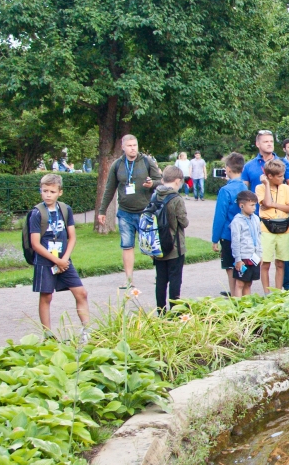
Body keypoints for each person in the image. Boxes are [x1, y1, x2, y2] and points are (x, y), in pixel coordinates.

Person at [28, 172, 90, 335]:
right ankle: (48, 335)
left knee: (81, 293)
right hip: (45, 260)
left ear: (60, 192)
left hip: (64, 260)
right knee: (46, 296)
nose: (48, 195)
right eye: (45, 191)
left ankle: (87, 332)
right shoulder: (36, 213)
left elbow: (72, 237)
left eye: (52, 191)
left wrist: (63, 259)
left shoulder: (65, 209)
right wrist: (56, 260)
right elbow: (35, 243)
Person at [97, 134, 161, 286]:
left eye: (135, 145)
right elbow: (109, 189)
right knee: (127, 245)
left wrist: (151, 184)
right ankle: (129, 279)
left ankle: (160, 274)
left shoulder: (147, 161)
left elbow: (161, 181)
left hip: (145, 211)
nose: (133, 148)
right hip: (125, 212)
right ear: (123, 147)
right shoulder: (117, 165)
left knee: (150, 246)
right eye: (130, 146)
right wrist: (102, 210)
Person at [149, 165, 190, 311]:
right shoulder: (177, 199)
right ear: (178, 181)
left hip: (158, 245)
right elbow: (183, 222)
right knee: (175, 280)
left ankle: (160, 310)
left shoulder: (154, 195)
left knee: (160, 280)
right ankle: (175, 311)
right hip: (175, 246)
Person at [255, 160, 289, 293]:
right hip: (267, 228)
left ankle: (278, 292)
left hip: (284, 228)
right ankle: (267, 293)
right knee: (265, 262)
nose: (282, 179)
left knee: (281, 262)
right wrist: (266, 185)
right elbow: (266, 202)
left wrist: (273, 204)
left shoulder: (285, 188)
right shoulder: (260, 187)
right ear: (270, 176)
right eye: (279, 176)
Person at [211, 152, 247, 295]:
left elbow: (220, 216)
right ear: (242, 169)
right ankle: (243, 293)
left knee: (230, 266)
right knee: (242, 265)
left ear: (227, 169)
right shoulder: (245, 188)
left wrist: (215, 238)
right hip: (244, 234)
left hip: (228, 234)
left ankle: (233, 294)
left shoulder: (225, 190)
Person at [229, 190, 263, 297]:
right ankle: (239, 306)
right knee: (240, 283)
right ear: (241, 205)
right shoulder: (237, 221)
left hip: (254, 256)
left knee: (249, 283)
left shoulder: (256, 219)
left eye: (255, 205)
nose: (254, 208)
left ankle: (247, 305)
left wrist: (260, 254)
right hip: (243, 257)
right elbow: (235, 241)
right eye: (252, 205)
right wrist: (238, 259)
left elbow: (258, 237)